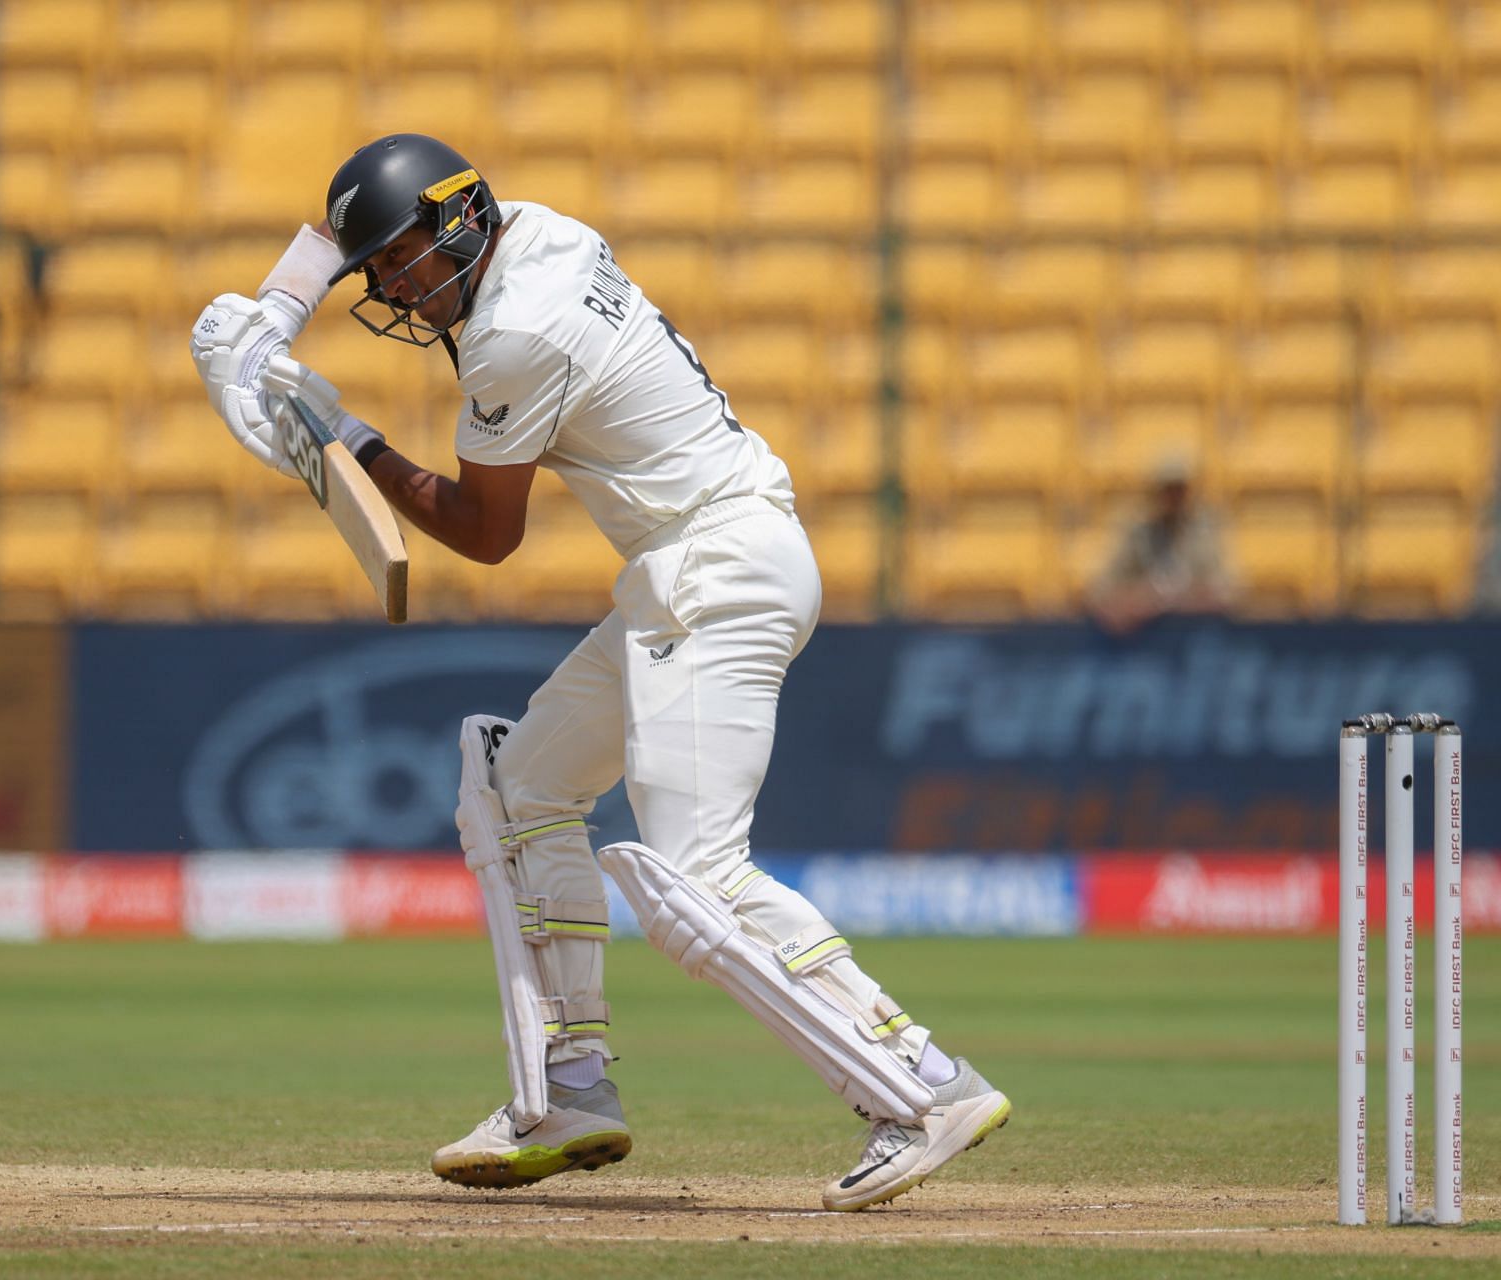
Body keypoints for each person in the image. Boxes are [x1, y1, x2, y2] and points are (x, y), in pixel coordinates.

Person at [188, 134, 1009, 1211]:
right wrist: (274, 311)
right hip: (706, 560)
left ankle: (922, 1082)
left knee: (696, 878)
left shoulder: (516, 335)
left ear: (458, 221)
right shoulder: (537, 231)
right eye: (377, 273)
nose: (395, 288)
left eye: (402, 261)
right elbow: (328, 237)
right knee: (519, 786)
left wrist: (341, 436)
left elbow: (487, 537)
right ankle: (570, 1086)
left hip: (711, 574)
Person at [1086, 457, 1236, 635]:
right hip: (1144, 648)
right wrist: (1139, 600)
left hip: (1197, 642)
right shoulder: (1138, 532)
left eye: (1178, 489)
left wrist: (1168, 600)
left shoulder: (1205, 531)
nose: (1173, 497)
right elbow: (1102, 590)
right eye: (1167, 489)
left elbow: (1228, 591)